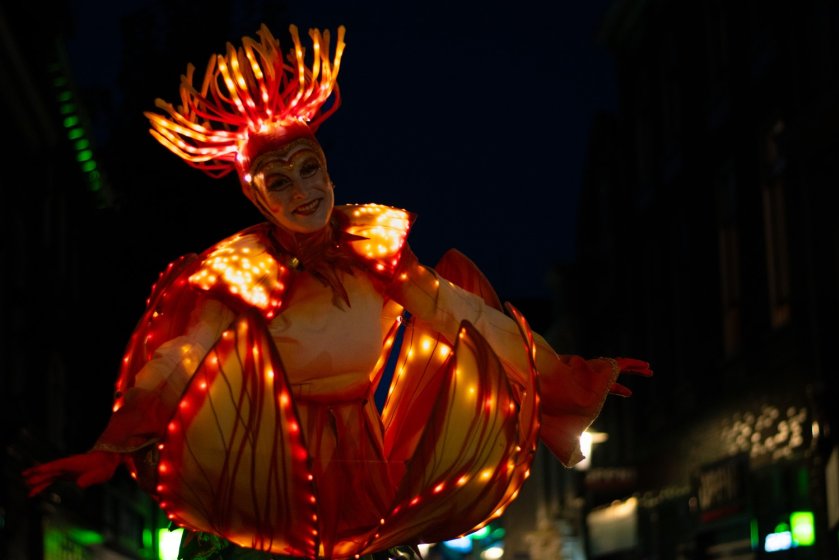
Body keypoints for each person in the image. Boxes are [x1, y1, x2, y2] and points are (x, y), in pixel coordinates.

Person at [23, 23, 651, 560]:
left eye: (309, 168)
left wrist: (562, 379)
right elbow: (176, 365)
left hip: (365, 477)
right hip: (267, 481)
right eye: (279, 180)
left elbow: (472, 319)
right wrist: (112, 444)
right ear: (254, 195)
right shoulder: (240, 273)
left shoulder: (375, 254)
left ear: (326, 165)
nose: (303, 192)